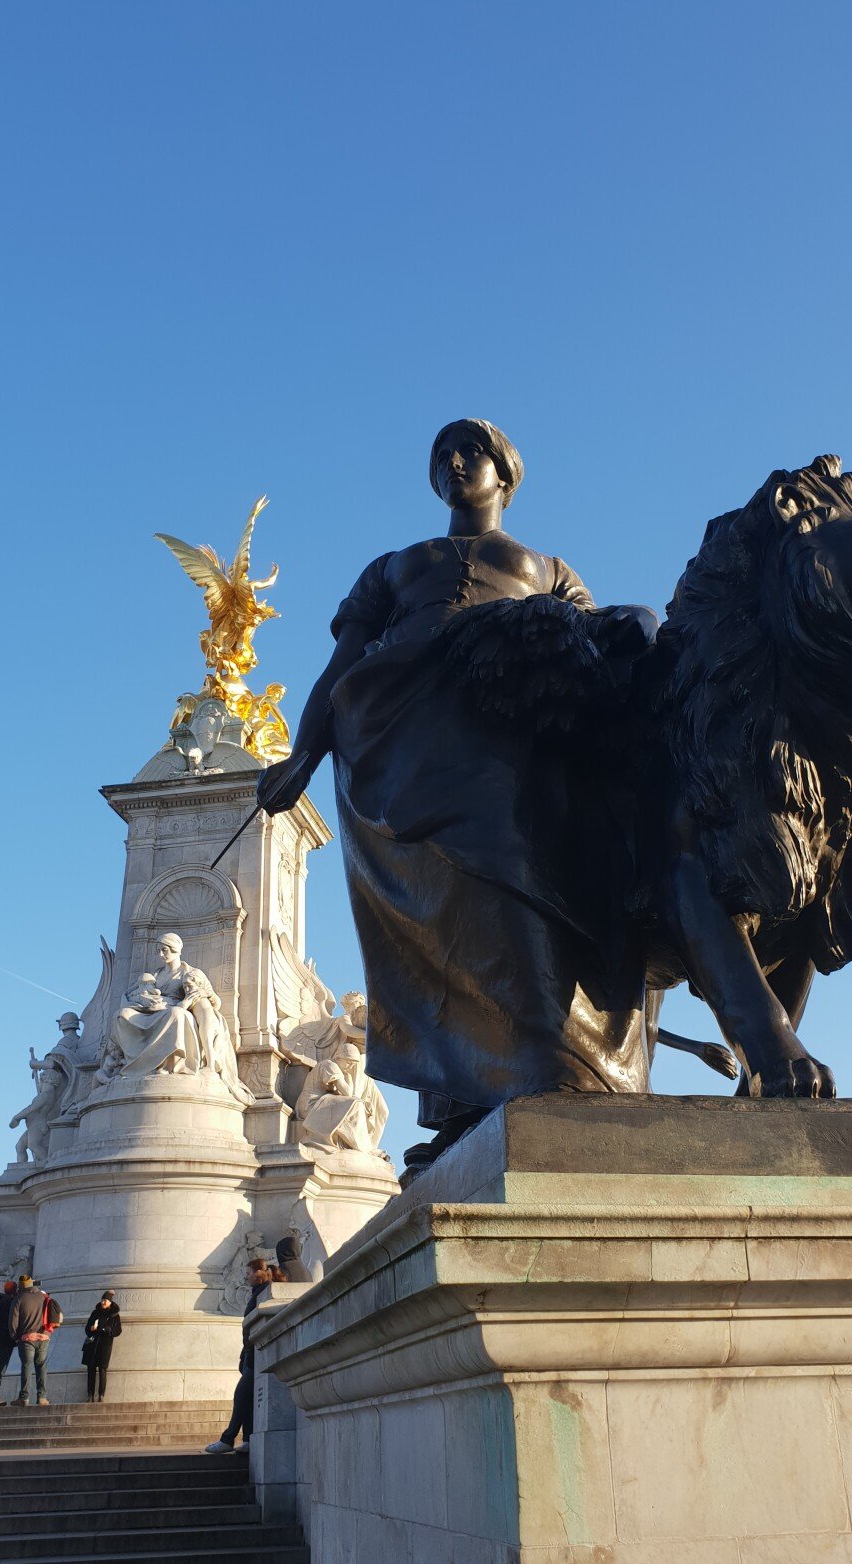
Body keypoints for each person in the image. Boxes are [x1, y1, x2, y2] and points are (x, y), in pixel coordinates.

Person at [256, 419, 658, 1171]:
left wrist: (638, 621)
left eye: (471, 450)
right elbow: (340, 665)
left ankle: (547, 1069)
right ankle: (463, 1101)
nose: (454, 460)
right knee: (443, 914)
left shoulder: (548, 567)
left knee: (516, 891)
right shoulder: (396, 566)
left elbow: (597, 647)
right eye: (443, 452)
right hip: (402, 743)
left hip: (509, 737)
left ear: (505, 473)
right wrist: (302, 753)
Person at [204, 1257, 272, 1455]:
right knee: (247, 1398)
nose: (246, 1277)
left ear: (259, 1272)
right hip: (250, 1355)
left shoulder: (264, 1292)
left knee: (241, 1395)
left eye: (249, 1272)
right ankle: (249, 1439)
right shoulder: (258, 1292)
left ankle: (228, 1439)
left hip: (257, 1355)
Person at [8, 1273, 57, 1406]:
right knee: (41, 1366)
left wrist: (15, 1337)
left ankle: (24, 1397)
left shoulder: (18, 1299)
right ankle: (42, 1397)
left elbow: (13, 1322)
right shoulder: (44, 1297)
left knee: (27, 1366)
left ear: (20, 1286)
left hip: (27, 1339)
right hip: (44, 1337)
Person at [82, 1290, 122, 1402]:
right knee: (91, 1369)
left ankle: (101, 1395)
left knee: (102, 1369)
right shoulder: (95, 1313)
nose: (103, 1302)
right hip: (92, 1343)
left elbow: (118, 1330)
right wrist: (91, 1328)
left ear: (110, 1302)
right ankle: (90, 1395)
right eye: (102, 1300)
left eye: (105, 1300)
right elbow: (87, 1328)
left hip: (105, 1345)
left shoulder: (114, 1315)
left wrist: (109, 1330)